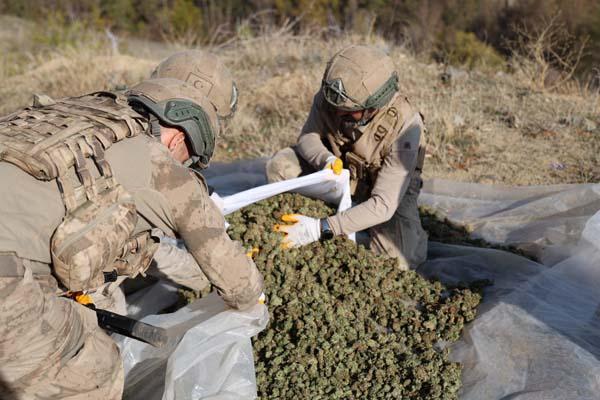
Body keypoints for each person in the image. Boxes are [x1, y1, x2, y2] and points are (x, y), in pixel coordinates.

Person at [0, 78, 263, 399]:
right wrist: (254, 294)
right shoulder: (164, 168)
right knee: (95, 369)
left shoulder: (76, 114)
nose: (186, 165)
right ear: (179, 138)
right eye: (191, 158)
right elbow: (239, 284)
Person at [267, 45, 428, 270]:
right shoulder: (334, 98)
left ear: (373, 107)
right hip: (339, 177)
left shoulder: (405, 127)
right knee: (280, 166)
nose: (338, 113)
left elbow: (383, 205)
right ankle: (344, 213)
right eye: (335, 108)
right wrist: (326, 160)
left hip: (382, 192)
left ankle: (351, 219)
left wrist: (319, 228)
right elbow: (307, 137)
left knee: (398, 261)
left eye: (348, 111)